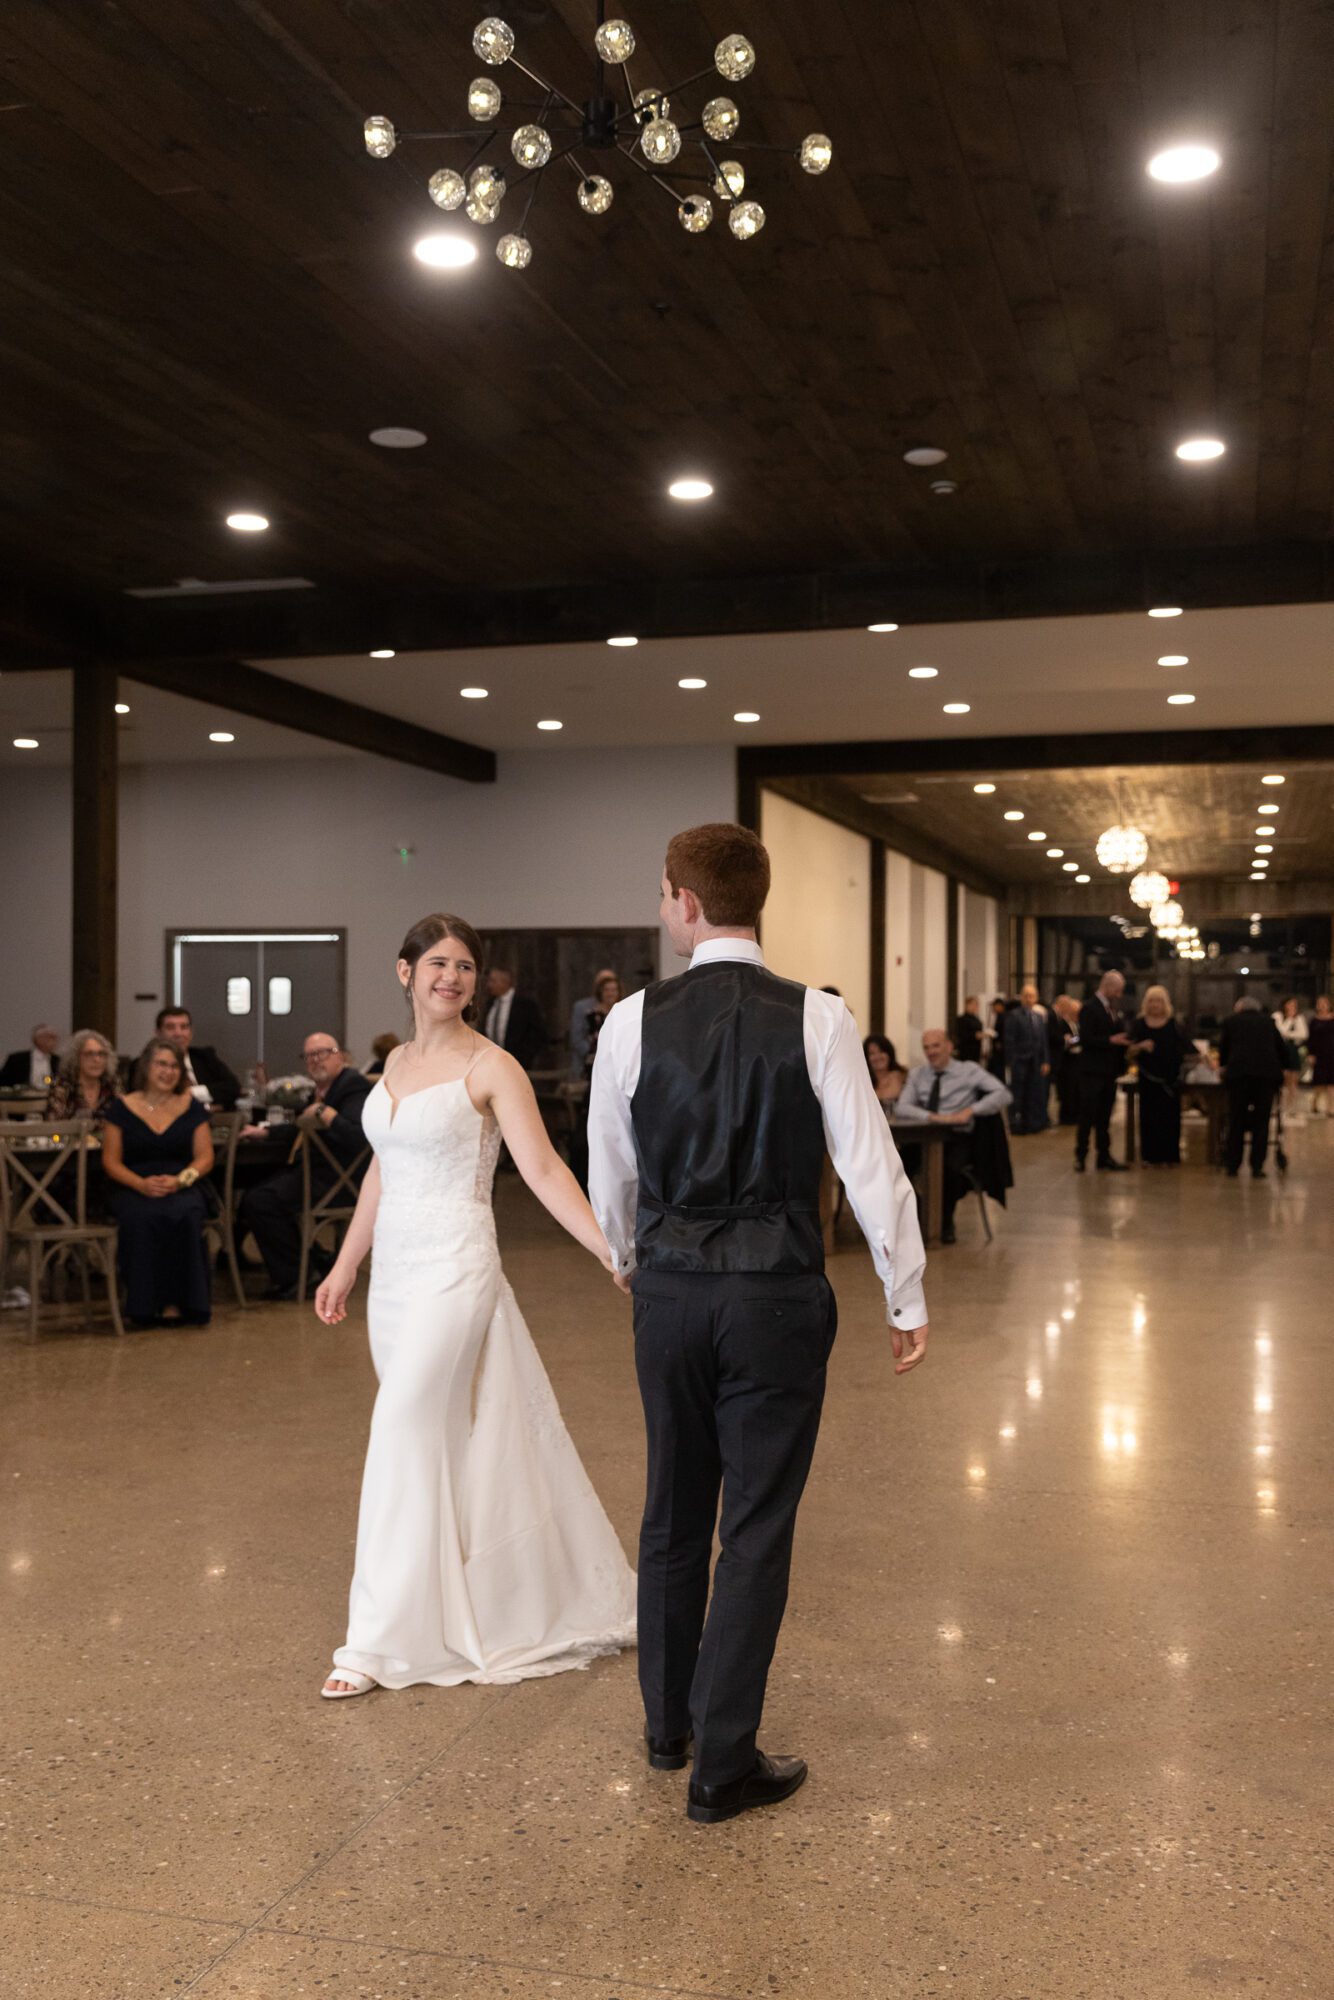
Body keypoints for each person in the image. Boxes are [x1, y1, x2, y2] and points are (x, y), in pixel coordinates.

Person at [589, 822, 928, 1826]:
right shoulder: (816, 1016)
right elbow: (870, 1166)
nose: (662, 910)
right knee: (754, 1526)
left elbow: (611, 1164)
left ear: (687, 904)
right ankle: (721, 1762)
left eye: (662, 895)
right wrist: (901, 1292)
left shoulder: (630, 1019)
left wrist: (626, 1257)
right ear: (756, 900)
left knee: (669, 1512)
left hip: (670, 1288)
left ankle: (666, 1725)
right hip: (775, 1291)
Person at [314, 914, 633, 1701]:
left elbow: (547, 1170)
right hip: (394, 1278)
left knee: (400, 1428)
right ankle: (453, 1601)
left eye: (463, 966)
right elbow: (382, 1174)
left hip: (459, 1267)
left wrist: (608, 1249)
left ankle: (374, 1642)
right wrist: (346, 1264)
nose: (450, 976)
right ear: (405, 972)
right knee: (437, 1442)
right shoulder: (390, 1067)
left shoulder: (493, 1067)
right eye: (436, 963)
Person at [238, 1033, 373, 1301]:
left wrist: (324, 1112)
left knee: (260, 1201)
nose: (314, 1060)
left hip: (339, 1179)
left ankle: (296, 1277)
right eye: (309, 1055)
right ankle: (316, 1261)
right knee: (253, 1191)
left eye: (322, 1053)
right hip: (317, 1171)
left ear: (341, 1056)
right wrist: (266, 1134)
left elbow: (359, 1136)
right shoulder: (321, 1089)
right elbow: (304, 1127)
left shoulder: (353, 1085)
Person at [101, 1038, 214, 1329]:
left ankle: (183, 1302)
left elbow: (205, 1158)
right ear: (146, 1067)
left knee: (186, 1213)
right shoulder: (122, 1108)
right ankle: (142, 1305)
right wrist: (141, 1185)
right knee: (142, 1217)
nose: (169, 1071)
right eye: (161, 1064)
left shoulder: (192, 1106)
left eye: (174, 1066)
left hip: (182, 1182)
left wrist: (180, 1181)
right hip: (133, 1184)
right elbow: (111, 1161)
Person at [893, 1028, 1013, 1242]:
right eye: (926, 1047)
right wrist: (933, 1117)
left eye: (936, 1046)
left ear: (949, 1047)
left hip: (957, 1137)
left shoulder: (968, 1070)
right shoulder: (918, 1074)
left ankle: (943, 1221)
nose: (931, 1052)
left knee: (949, 1171)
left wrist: (971, 1110)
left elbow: (1003, 1094)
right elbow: (902, 1107)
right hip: (924, 1137)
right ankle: (922, 1214)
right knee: (894, 1168)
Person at [1218, 997, 1286, 1178]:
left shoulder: (1231, 1022)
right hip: (1265, 1077)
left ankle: (1233, 1164)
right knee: (1262, 1121)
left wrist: (1224, 1066)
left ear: (1239, 1009)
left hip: (1238, 1077)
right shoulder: (1268, 1022)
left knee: (1236, 1119)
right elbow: (1281, 1049)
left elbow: (1224, 1049)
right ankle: (1257, 1166)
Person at [567, 972, 623, 1191]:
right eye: (607, 990)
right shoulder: (591, 1013)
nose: (610, 994)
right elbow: (581, 1042)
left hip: (617, 1070)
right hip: (594, 1068)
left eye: (614, 990)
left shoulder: (623, 1012)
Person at [1127, 986, 1193, 1165]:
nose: (1155, 1005)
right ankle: (1149, 1156)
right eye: (1151, 1001)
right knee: (1149, 1117)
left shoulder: (1174, 1024)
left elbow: (1188, 1048)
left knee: (1170, 1117)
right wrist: (1141, 1046)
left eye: (1158, 1001)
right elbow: (1127, 1050)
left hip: (1170, 1079)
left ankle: (1170, 1155)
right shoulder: (1139, 1024)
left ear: (1165, 1004)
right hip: (1148, 1078)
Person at [1075, 971, 1131, 1172]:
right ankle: (1081, 1155)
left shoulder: (1112, 1009)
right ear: (1107, 987)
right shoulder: (1090, 1008)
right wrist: (1110, 1040)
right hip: (1091, 1071)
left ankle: (1103, 1156)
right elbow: (1086, 1039)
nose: (1119, 995)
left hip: (1108, 1071)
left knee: (1104, 1116)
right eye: (1117, 991)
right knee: (1087, 1115)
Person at [155, 1006, 240, 1110]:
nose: (178, 1033)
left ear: (191, 1033)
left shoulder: (205, 1057)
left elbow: (233, 1088)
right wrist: (208, 1106)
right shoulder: (146, 1064)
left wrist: (191, 1092)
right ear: (158, 1033)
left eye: (184, 1027)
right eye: (171, 1028)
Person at [44, 1029, 118, 1124]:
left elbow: (124, 1119)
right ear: (76, 1058)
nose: (96, 1059)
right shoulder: (63, 1085)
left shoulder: (111, 1083)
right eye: (89, 1054)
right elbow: (53, 1123)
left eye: (101, 1054)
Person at [1003, 984, 1050, 1134]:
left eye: (1032, 996)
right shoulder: (1014, 1016)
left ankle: (1032, 1123)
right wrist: (1012, 1061)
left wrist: (1045, 1061)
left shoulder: (1038, 1017)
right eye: (1027, 996)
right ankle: (1016, 1124)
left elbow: (1043, 1042)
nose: (1029, 999)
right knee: (1017, 1094)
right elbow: (1009, 1041)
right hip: (1020, 1062)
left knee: (1033, 1093)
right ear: (1022, 997)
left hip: (1035, 1062)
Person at [482, 967, 546, 1071]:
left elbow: (538, 1035)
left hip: (518, 1064)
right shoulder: (490, 1004)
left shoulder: (525, 1005)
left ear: (504, 982)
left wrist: (525, 1057)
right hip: (491, 1064)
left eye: (493, 981)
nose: (489, 985)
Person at [569, 969, 620, 1078]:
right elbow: (577, 1039)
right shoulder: (588, 1011)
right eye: (606, 988)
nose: (610, 993)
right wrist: (598, 1056)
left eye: (613, 989)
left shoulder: (621, 1010)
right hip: (590, 1063)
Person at [1273, 997, 1309, 1120]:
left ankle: (1291, 1107)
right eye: (1290, 1004)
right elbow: (1280, 1032)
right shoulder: (1277, 1016)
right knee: (1283, 1079)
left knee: (1293, 1081)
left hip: (1293, 1050)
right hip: (1280, 1050)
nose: (1292, 1007)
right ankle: (1280, 1107)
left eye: (1294, 1005)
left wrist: (1289, 1034)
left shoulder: (1299, 1018)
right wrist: (1289, 1020)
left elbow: (1303, 1034)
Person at [1048, 995, 1081, 1126]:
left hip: (1074, 1060)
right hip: (1065, 1061)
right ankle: (1066, 1117)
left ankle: (1073, 1115)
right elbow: (1058, 1039)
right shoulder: (1061, 1022)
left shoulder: (1075, 1024)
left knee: (1073, 1090)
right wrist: (1068, 1041)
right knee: (1066, 1091)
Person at [1, 1023, 62, 1090]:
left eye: (55, 1038)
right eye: (50, 1037)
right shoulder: (17, 1059)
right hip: (22, 1098)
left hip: (48, 1097)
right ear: (38, 1039)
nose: (54, 1041)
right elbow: (3, 1081)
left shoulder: (57, 1060)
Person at [863, 1032, 906, 1109]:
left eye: (881, 1051)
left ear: (889, 1053)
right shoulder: (863, 1082)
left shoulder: (904, 1077)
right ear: (866, 1058)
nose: (877, 1057)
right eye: (872, 1054)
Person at [1307, 995, 1334, 1115]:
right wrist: (1311, 1054)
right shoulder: (1314, 1021)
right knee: (1319, 1083)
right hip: (1319, 1054)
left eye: (1325, 1003)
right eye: (1320, 1003)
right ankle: (1314, 1102)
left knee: (1331, 1083)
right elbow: (1311, 1039)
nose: (1322, 1005)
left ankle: (1331, 1107)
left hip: (1332, 1054)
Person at [953, 997, 984, 1065]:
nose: (975, 1007)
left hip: (976, 1050)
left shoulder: (977, 1019)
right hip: (966, 1051)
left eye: (976, 1005)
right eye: (972, 1004)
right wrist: (974, 1035)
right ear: (966, 1005)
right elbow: (960, 1034)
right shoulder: (961, 1019)